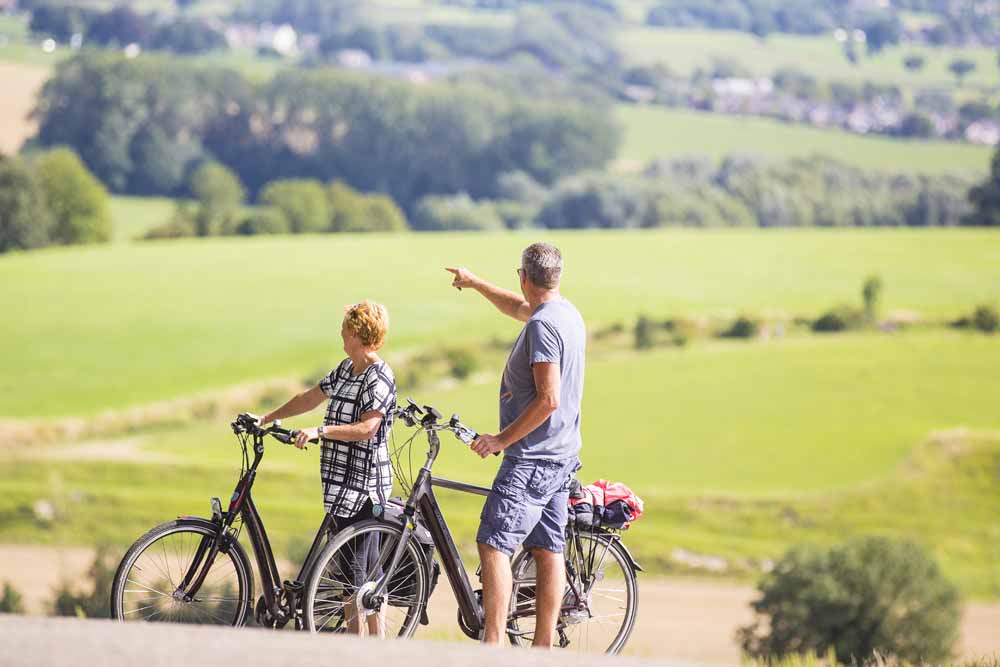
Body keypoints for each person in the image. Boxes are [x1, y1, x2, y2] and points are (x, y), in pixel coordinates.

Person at [446, 242, 585, 648]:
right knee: (547, 548)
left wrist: (499, 440)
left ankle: (493, 646)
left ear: (524, 277)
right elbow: (516, 307)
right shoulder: (566, 314)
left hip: (531, 459)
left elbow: (548, 398)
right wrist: (475, 284)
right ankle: (541, 648)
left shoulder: (543, 326)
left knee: (494, 542)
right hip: (561, 455)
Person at [255, 300, 396, 637]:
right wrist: (267, 418)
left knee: (363, 578)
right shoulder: (347, 369)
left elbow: (367, 429)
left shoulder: (379, 378)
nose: (341, 337)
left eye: (345, 331)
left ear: (359, 335)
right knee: (352, 575)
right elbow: (310, 397)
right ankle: (357, 647)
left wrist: (321, 431)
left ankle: (370, 650)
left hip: (364, 487)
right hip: (338, 485)